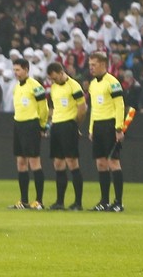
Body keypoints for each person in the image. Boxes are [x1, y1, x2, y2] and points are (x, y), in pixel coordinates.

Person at [86, 51, 127, 212]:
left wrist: (119, 128)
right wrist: (91, 129)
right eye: (90, 65)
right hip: (98, 126)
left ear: (103, 64)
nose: (91, 68)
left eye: (94, 65)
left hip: (110, 125)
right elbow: (94, 109)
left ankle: (118, 202)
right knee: (100, 163)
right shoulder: (92, 84)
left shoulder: (113, 82)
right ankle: (104, 201)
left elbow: (120, 106)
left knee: (113, 162)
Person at [44, 61, 86, 210]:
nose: (53, 81)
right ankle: (59, 202)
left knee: (72, 162)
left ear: (61, 72)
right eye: (51, 79)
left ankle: (78, 202)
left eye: (55, 77)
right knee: (58, 163)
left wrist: (75, 125)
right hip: (56, 125)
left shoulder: (74, 86)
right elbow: (53, 107)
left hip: (69, 125)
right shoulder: (54, 87)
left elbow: (82, 108)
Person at [8, 58, 49, 210]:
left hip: (31, 124)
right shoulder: (16, 87)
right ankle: (24, 200)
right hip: (18, 124)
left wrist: (43, 125)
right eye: (14, 70)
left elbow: (43, 108)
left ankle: (39, 200)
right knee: (21, 162)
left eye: (18, 70)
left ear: (26, 69)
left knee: (34, 162)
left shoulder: (36, 86)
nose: (15, 73)